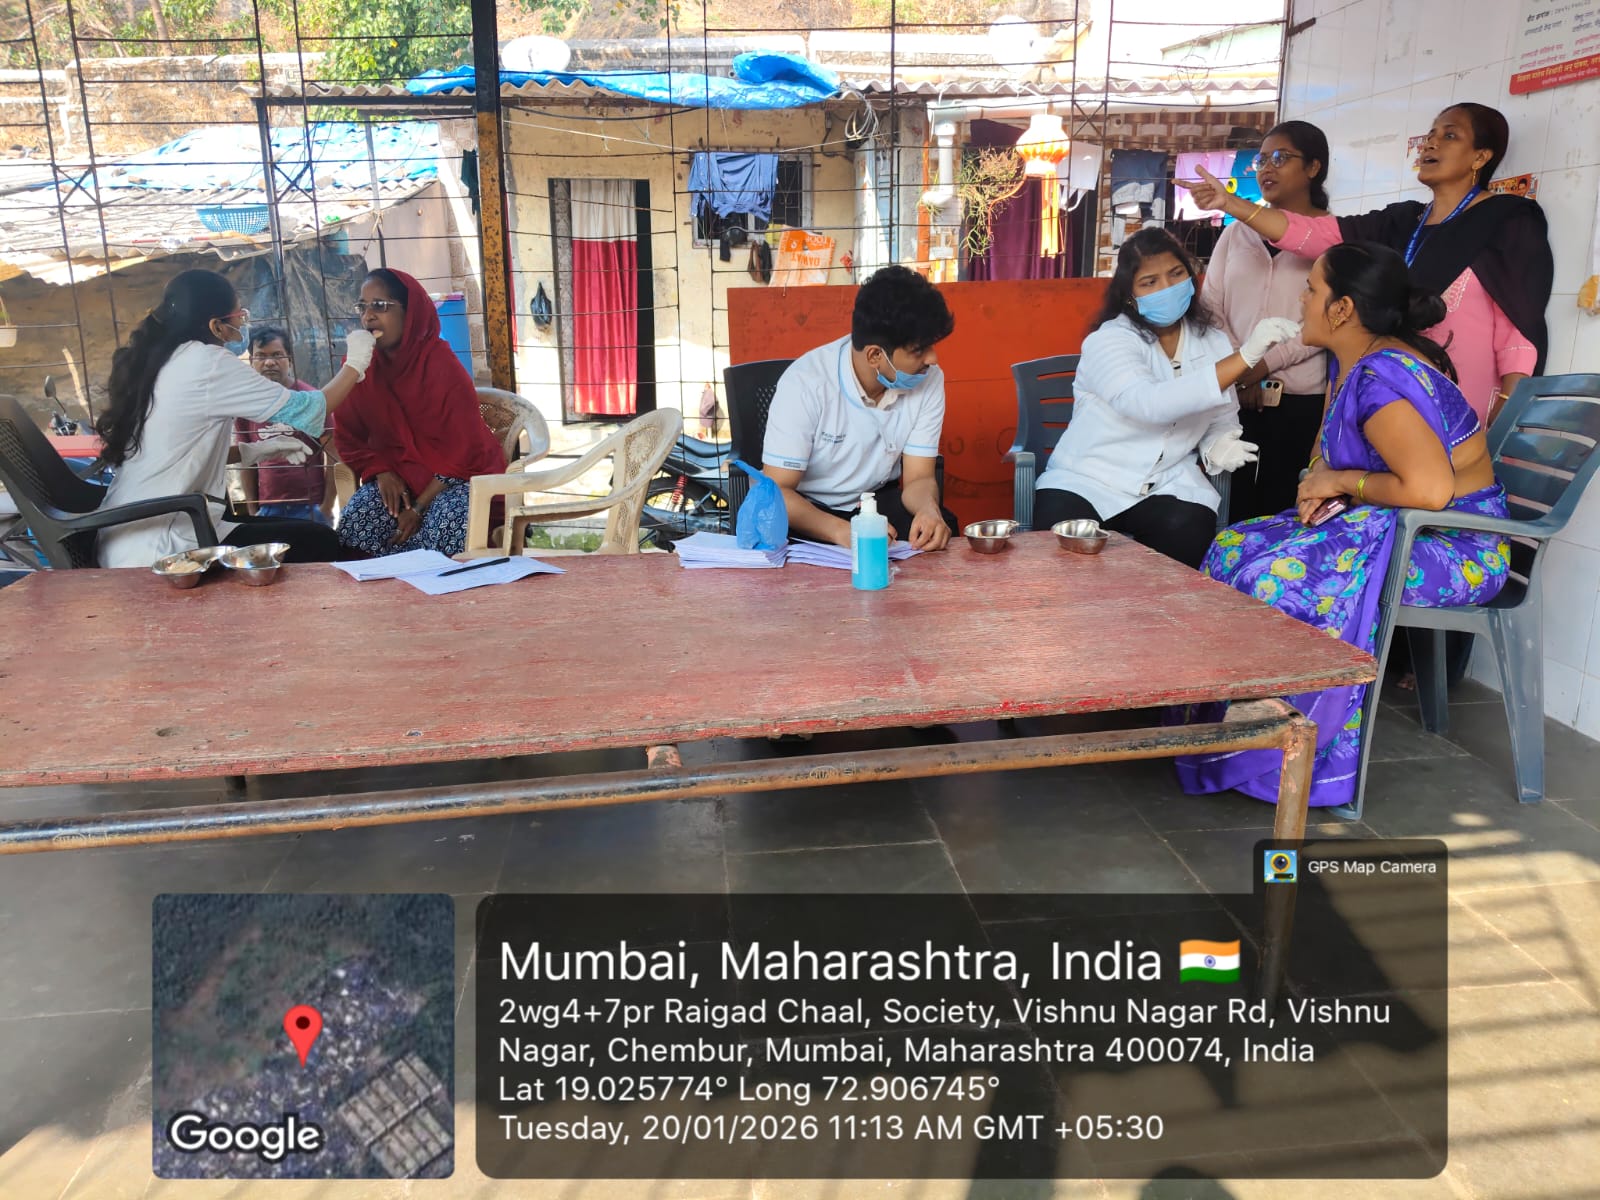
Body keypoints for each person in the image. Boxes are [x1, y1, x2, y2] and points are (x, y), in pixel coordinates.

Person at [1175, 242, 1511, 809]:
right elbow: (1328, 454)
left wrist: (1340, 483)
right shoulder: (1355, 363)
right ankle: (1235, 727)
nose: (1301, 301)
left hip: (1455, 547)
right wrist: (1319, 482)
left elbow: (1430, 491)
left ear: (1342, 309)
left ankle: (1282, 748)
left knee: (1275, 579)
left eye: (1311, 291)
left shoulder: (1383, 378)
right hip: (1402, 525)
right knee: (1233, 546)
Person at [1183, 102, 1552, 427]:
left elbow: (1518, 323)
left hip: (1465, 393)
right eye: (1430, 135)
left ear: (1481, 157)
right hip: (1393, 390)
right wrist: (1230, 204)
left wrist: (1509, 402)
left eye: (1449, 135)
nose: (1431, 143)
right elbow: (1313, 234)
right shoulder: (1403, 220)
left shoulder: (1507, 219)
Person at [1032, 227, 1301, 568]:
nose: (1167, 287)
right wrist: (1245, 357)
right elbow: (1149, 404)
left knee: (1187, 533)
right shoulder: (1109, 341)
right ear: (1129, 295)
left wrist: (1217, 444)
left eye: (1176, 274)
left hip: (1167, 482)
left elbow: (1221, 415)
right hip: (1088, 480)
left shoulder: (1213, 341)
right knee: (1061, 555)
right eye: (1150, 282)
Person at [94, 270, 374, 568]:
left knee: (309, 534)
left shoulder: (158, 360)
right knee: (320, 542)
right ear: (215, 325)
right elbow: (311, 410)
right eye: (238, 316)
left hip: (129, 532)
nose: (241, 325)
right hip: (164, 541)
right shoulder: (207, 362)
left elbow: (178, 453)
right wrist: (356, 362)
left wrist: (253, 451)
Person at [761, 264, 959, 551]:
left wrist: (928, 509)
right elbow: (777, 491)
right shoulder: (806, 383)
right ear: (875, 355)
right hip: (810, 510)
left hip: (876, 503)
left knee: (938, 535)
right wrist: (841, 531)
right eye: (919, 350)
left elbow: (919, 477)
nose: (932, 358)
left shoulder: (928, 379)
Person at [1201, 121, 1332, 519]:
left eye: (1280, 158)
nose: (1266, 169)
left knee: (1284, 504)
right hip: (1233, 391)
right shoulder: (1235, 234)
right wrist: (1241, 367)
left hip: (1299, 397)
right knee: (1228, 503)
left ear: (1313, 167)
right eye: (1261, 160)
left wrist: (1263, 365)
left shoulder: (1330, 238)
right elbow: (1211, 307)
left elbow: (1329, 321)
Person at [334, 268, 506, 557]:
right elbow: (348, 436)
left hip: (455, 479)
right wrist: (381, 471)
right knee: (359, 518)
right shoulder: (360, 366)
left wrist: (418, 507)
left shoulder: (441, 366)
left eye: (380, 306)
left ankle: (438, 586)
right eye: (362, 307)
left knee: (450, 520)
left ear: (410, 312)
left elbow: (464, 451)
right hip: (398, 476)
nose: (368, 317)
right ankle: (378, 586)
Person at [233, 327, 337, 526]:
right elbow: (245, 462)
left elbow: (333, 455)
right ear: (251, 360)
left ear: (289, 359)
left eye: (276, 355)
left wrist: (326, 506)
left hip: (311, 508)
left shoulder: (309, 400)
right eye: (261, 356)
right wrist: (253, 510)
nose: (269, 362)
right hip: (268, 510)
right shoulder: (246, 407)